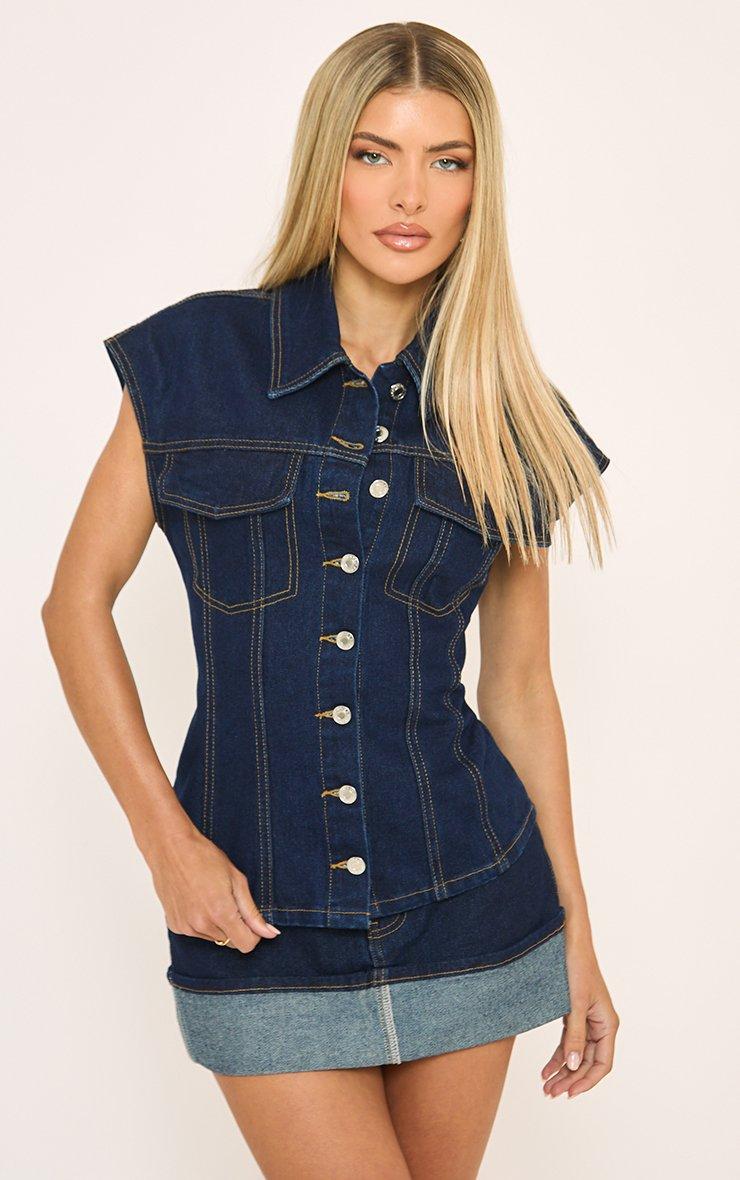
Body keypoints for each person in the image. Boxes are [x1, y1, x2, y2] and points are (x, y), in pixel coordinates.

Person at [42, 20, 619, 1178]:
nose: (409, 193)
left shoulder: (507, 410)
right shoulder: (196, 361)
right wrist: (167, 843)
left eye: (446, 161)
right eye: (374, 154)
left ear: (478, 186)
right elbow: (74, 604)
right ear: (328, 167)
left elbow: (517, 689)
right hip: (257, 922)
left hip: (467, 905)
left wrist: (578, 936)